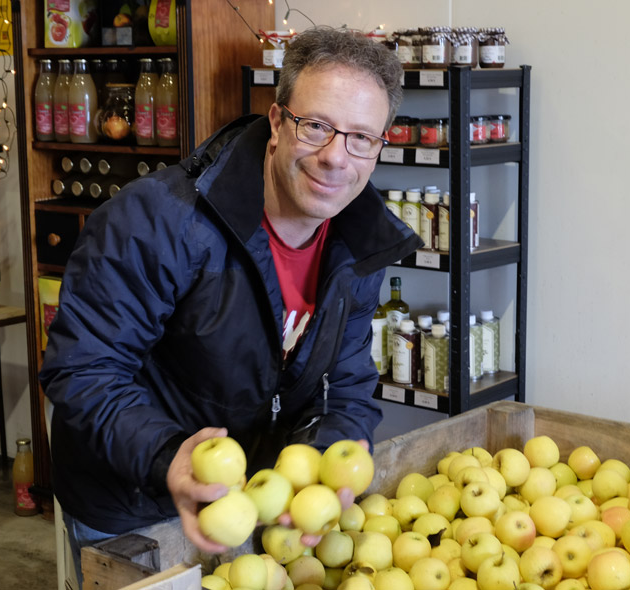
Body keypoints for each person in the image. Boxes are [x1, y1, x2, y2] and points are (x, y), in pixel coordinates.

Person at [40, 26, 421, 584]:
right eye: (316, 126)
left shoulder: (359, 239)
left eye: (361, 137)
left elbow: (349, 384)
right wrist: (167, 455)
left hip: (249, 502)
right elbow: (83, 369)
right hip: (131, 506)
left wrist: (327, 461)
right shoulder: (158, 220)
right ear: (275, 121)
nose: (337, 157)